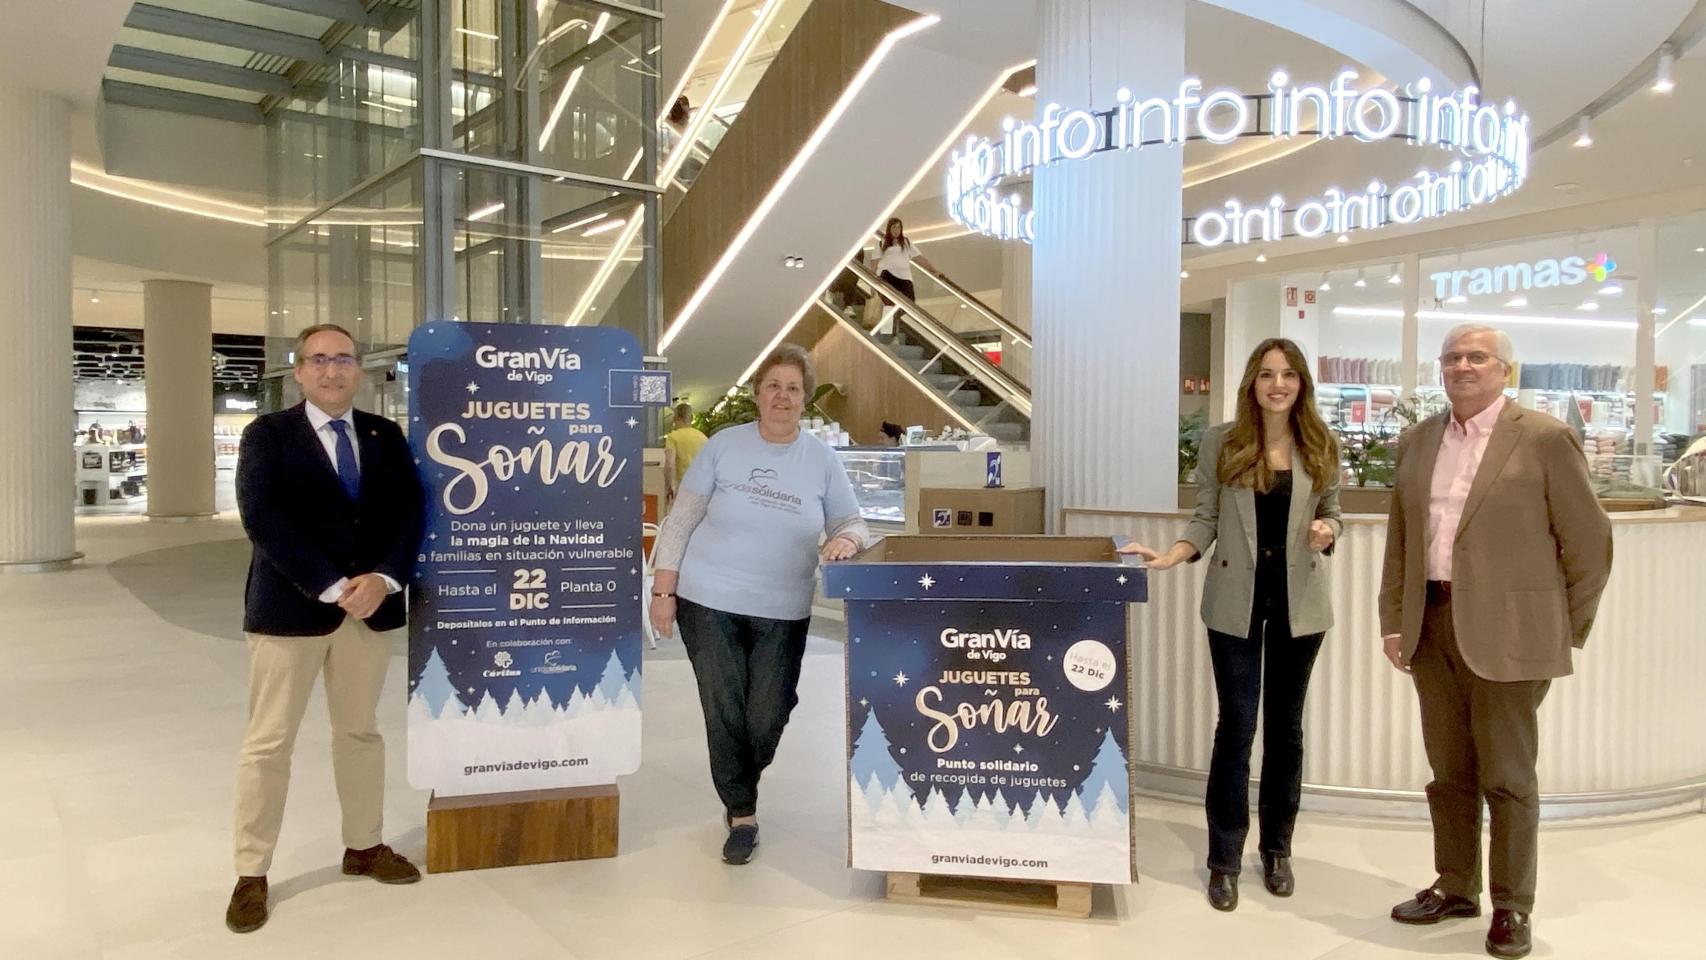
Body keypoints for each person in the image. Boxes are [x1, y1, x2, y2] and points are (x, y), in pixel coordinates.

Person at [1380, 324, 1612, 959]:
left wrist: (1562, 626)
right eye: (1453, 357)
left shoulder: (1542, 438)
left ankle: (1513, 906)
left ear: (1504, 370)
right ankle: (1456, 885)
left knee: (1509, 777)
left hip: (1512, 638)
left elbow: (1590, 547)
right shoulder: (1418, 440)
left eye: (1477, 357)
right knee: (1449, 773)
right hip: (1432, 627)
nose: (1463, 366)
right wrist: (1393, 621)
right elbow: (1402, 542)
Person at [1119, 338, 1342, 912]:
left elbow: (1332, 511)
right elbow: (1206, 516)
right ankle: (1224, 859)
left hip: (1301, 605)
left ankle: (1277, 850)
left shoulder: (1320, 441)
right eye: (1268, 374)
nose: (1278, 384)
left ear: (1302, 385)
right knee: (1238, 725)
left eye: (1289, 375)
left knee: (1286, 730)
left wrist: (1328, 532)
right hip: (1234, 602)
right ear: (1251, 381)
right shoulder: (1221, 441)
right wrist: (1175, 554)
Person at [226, 323, 425, 934]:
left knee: (360, 734)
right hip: (291, 613)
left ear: (359, 370)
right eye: (319, 360)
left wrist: (386, 578)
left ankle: (363, 847)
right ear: (300, 372)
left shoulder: (384, 434)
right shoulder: (269, 435)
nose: (332, 369)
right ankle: (251, 871)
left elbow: (412, 512)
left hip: (371, 612)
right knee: (269, 744)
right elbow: (263, 518)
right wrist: (335, 586)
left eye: (343, 358)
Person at [647, 344, 869, 865]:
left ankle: (740, 777)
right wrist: (663, 591)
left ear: (804, 399)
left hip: (784, 607)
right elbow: (680, 520)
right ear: (757, 393)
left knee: (768, 711)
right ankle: (741, 813)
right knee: (724, 706)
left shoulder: (822, 459)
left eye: (793, 388)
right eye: (773, 386)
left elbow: (851, 521)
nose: (782, 396)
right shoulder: (724, 445)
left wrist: (848, 542)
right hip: (708, 598)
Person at [871, 217, 937, 337]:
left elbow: (919, 258)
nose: (896, 230)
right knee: (889, 304)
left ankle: (890, 326)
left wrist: (933, 270)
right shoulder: (881, 243)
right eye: (894, 227)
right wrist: (873, 281)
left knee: (909, 302)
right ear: (889, 228)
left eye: (898, 227)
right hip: (887, 276)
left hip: (904, 278)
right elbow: (874, 262)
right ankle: (887, 334)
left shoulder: (906, 242)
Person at [663, 402, 708, 504]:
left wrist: (668, 487)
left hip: (685, 487)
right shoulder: (703, 437)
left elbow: (670, 464)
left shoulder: (673, 437)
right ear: (691, 418)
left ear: (674, 418)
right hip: (703, 488)